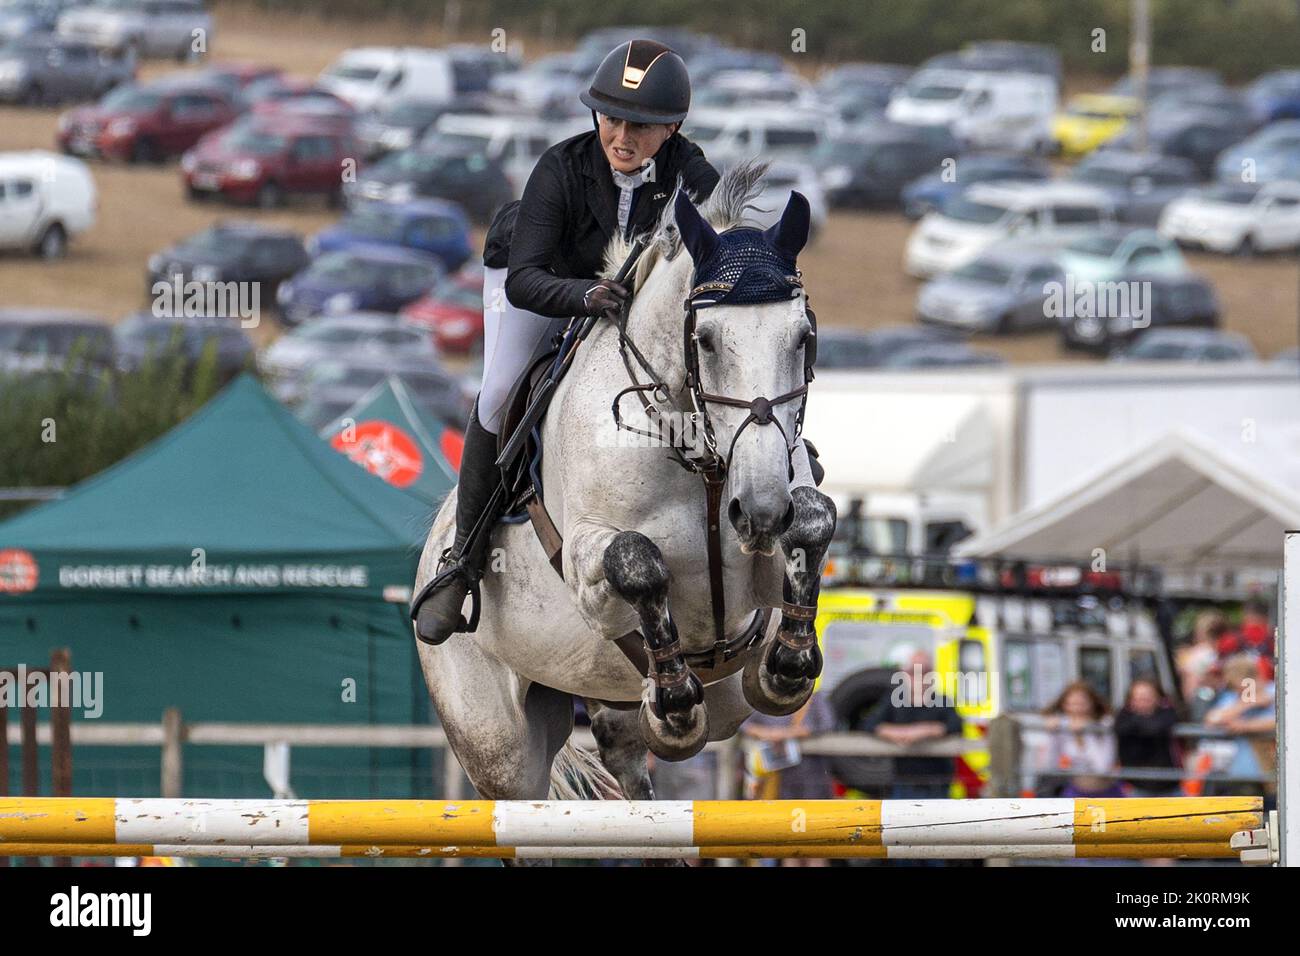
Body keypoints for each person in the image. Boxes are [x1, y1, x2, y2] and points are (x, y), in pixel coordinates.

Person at [414, 38, 818, 645]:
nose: (621, 136)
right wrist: (586, 296)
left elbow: (720, 251)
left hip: (631, 306)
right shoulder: (560, 166)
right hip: (542, 283)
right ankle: (463, 561)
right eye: (612, 118)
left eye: (641, 126)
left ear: (673, 128)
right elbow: (526, 280)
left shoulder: (691, 169)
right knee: (499, 390)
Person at [857, 651, 964, 800]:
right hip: (903, 783)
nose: (919, 676)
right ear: (904, 674)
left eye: (924, 671)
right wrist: (901, 733)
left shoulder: (943, 701)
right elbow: (868, 724)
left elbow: (956, 726)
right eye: (914, 671)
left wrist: (925, 730)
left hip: (937, 784)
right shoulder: (894, 700)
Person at [1042, 681, 1121, 798]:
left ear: (1092, 703)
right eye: (1071, 704)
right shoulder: (1064, 727)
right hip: (1076, 790)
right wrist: (1052, 735)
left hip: (1106, 792)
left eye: (1081, 703)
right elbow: (1050, 765)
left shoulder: (1104, 725)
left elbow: (1102, 767)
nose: (1076, 709)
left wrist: (1085, 734)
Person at [1113, 678, 1181, 797]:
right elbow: (1122, 727)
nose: (1143, 701)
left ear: (1158, 698)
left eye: (1147, 697)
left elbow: (1158, 726)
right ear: (1130, 700)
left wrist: (1139, 724)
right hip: (1136, 784)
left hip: (1169, 784)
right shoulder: (1123, 716)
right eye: (1138, 697)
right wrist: (1146, 722)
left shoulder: (1168, 713)